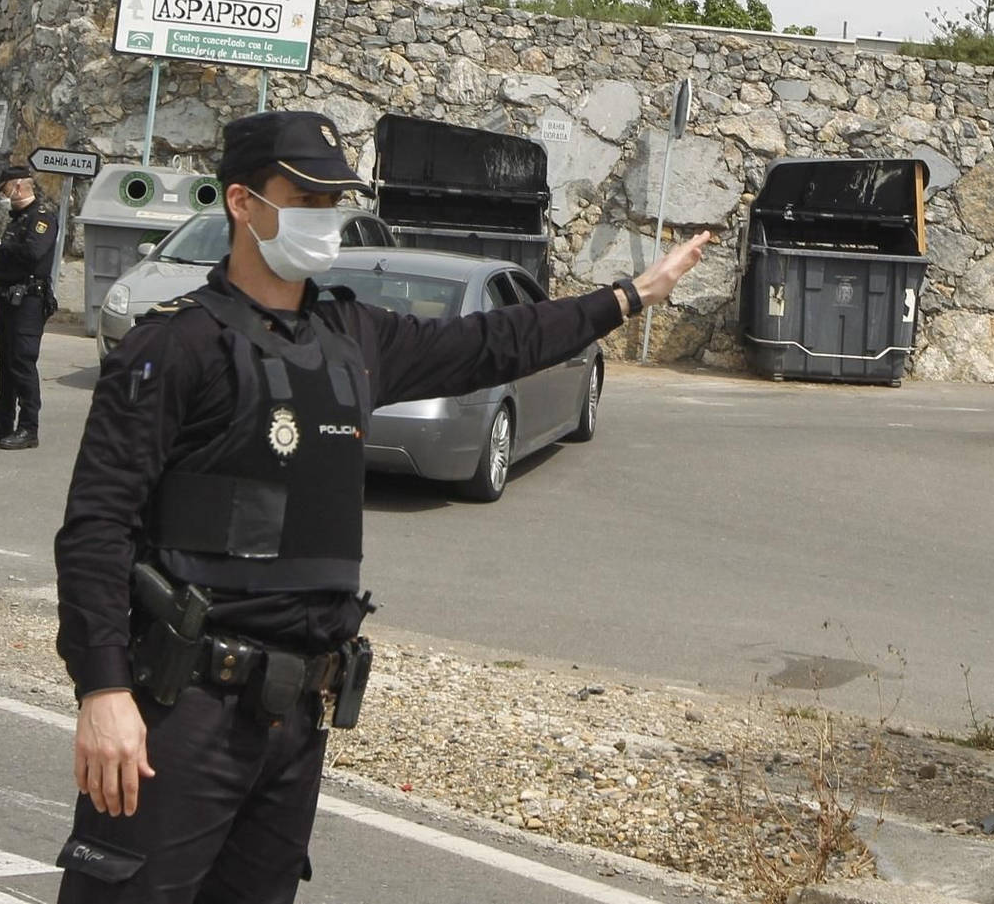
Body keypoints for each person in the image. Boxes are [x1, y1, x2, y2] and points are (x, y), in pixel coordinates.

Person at [52, 110, 709, 903]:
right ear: (242, 203)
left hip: (293, 720)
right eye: (307, 197)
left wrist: (630, 294)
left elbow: (492, 343)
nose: (326, 218)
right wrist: (102, 689)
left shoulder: (350, 336)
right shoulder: (177, 346)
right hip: (183, 711)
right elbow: (97, 525)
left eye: (335, 201)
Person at [0, 166, 58, 450]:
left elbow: (33, 252)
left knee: (22, 362)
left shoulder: (41, 218)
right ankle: (1, 423)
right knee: (5, 362)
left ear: (19, 187)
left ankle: (28, 428)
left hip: (29, 301)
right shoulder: (18, 219)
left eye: (6, 189)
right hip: (8, 299)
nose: (4, 196)